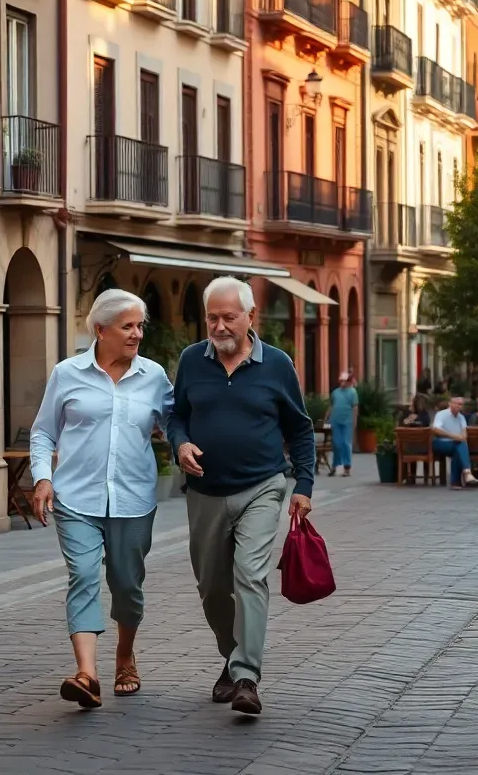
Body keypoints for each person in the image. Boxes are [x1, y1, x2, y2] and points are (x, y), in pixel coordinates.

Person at [168, 276, 315, 717]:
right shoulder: (192, 360)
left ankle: (247, 676)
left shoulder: (277, 365)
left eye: (228, 317)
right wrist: (180, 444)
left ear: (251, 316)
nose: (219, 326)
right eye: (212, 318)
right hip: (205, 492)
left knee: (250, 576)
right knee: (212, 588)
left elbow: (300, 428)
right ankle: (232, 658)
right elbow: (177, 417)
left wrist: (303, 486)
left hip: (262, 486)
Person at [29, 289, 173, 710]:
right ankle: (87, 674)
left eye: (140, 326)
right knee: (83, 576)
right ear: (100, 330)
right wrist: (42, 478)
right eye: (128, 326)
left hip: (133, 499)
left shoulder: (154, 376)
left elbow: (176, 423)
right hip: (76, 497)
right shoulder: (67, 373)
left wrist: (185, 445)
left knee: (127, 586)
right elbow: (43, 432)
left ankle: (125, 655)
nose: (137, 334)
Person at [431, 395, 478, 488]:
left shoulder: (461, 417)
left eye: (461, 404)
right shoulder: (441, 414)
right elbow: (436, 430)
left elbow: (464, 432)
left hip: (455, 444)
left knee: (459, 446)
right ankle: (466, 474)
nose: (459, 406)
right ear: (450, 404)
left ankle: (456, 482)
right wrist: (453, 436)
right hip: (440, 442)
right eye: (456, 404)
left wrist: (462, 437)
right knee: (459, 444)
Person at [329, 370, 359, 476]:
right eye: (341, 380)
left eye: (344, 381)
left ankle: (347, 467)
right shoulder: (335, 392)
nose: (342, 383)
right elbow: (331, 405)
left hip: (347, 421)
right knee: (337, 443)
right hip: (335, 421)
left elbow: (355, 407)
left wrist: (354, 421)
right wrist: (327, 418)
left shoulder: (352, 392)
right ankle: (335, 465)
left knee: (346, 444)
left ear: (349, 381)